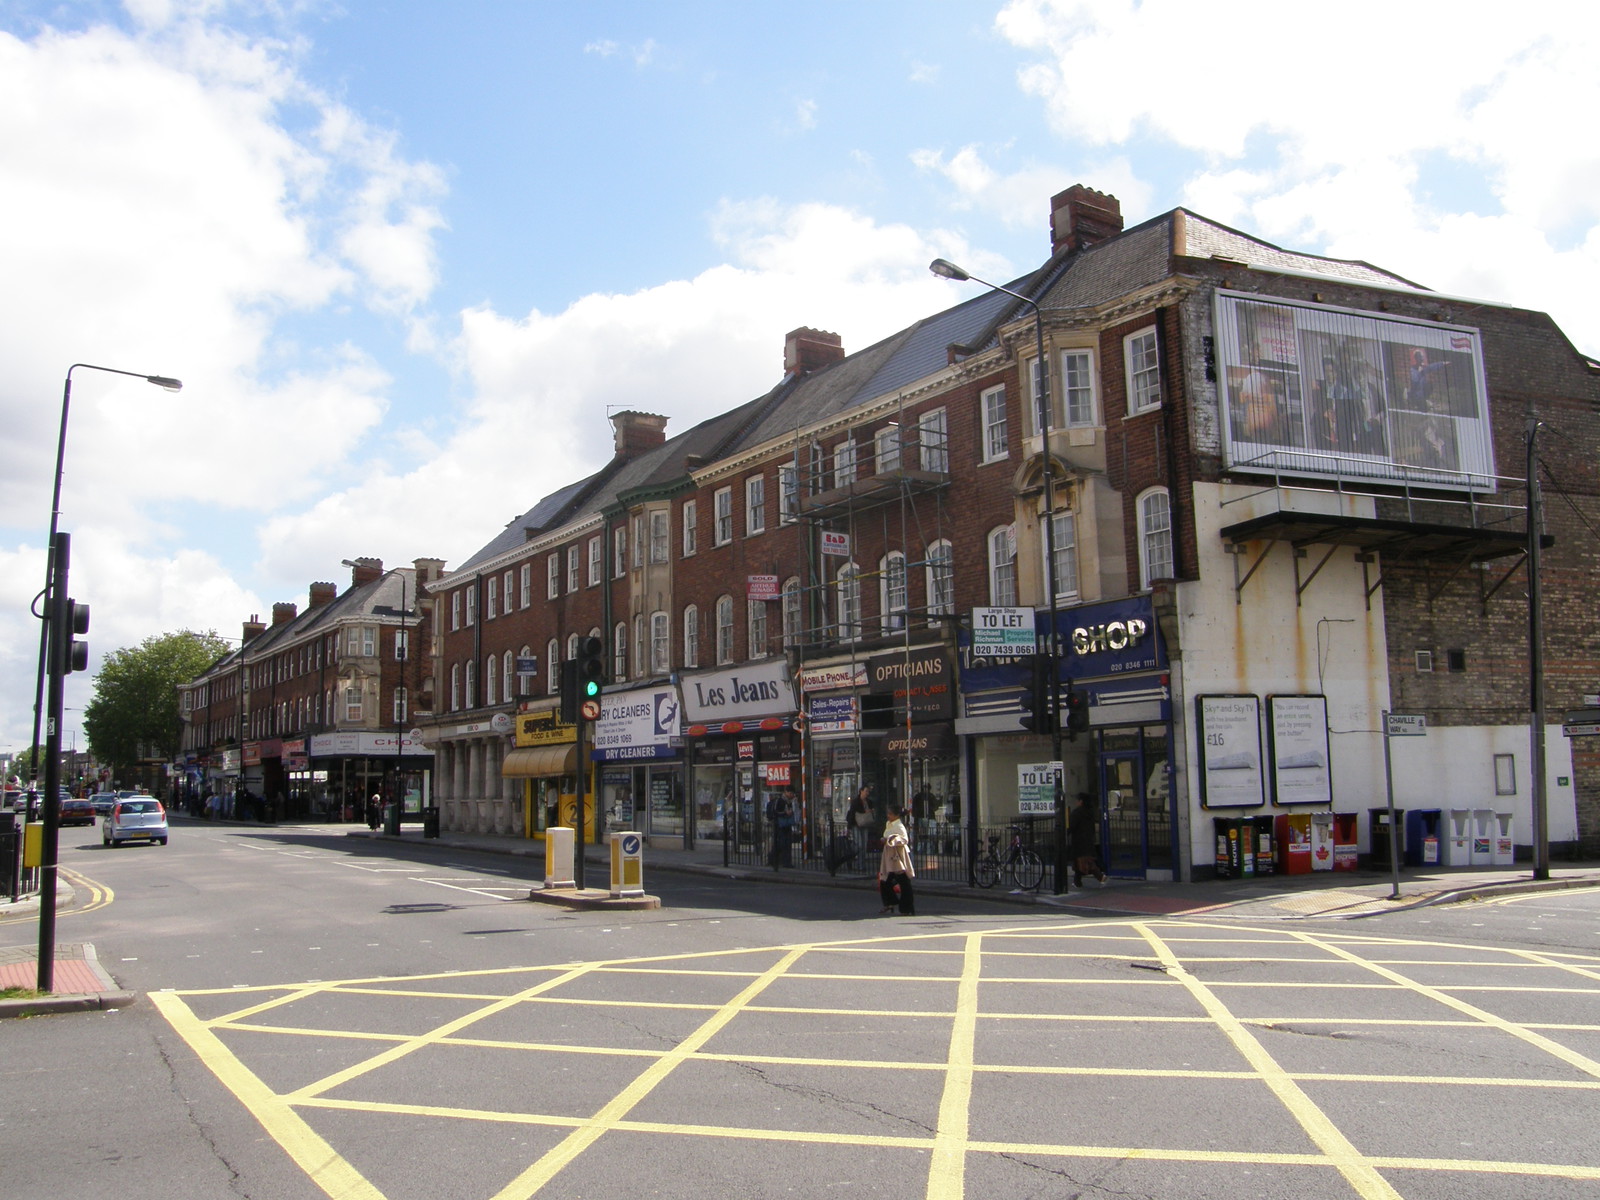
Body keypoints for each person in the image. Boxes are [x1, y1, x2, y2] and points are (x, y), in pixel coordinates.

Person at [877, 802, 915, 915]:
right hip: (889, 856)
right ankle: (890, 903)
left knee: (904, 883)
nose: (888, 816)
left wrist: (891, 840)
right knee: (885, 880)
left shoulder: (899, 826)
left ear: (897, 815)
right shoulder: (889, 824)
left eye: (890, 814)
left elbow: (904, 839)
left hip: (898, 857)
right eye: (888, 813)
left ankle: (906, 908)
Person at [1069, 792, 1107, 887]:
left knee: (1086, 862)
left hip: (1079, 841)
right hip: (1087, 840)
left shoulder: (1077, 813)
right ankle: (1077, 882)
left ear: (1081, 802)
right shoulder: (1089, 812)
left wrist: (1066, 832)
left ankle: (1101, 877)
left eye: (1077, 800)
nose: (1076, 802)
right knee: (1079, 863)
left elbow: (1071, 826)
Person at [766, 788, 795, 869]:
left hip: (787, 825)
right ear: (786, 792)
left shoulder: (790, 802)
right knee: (781, 843)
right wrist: (784, 813)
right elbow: (775, 812)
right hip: (780, 825)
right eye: (790, 793)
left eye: (792, 793)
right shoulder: (780, 801)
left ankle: (786, 862)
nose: (791, 795)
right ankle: (773, 860)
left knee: (787, 844)